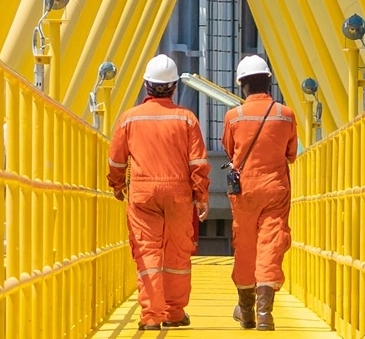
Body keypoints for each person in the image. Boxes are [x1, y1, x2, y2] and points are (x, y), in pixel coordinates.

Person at [108, 54, 211, 331]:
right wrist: (201, 197)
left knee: (146, 252)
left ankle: (151, 315)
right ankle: (174, 312)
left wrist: (117, 185)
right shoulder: (187, 119)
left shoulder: (129, 119)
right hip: (179, 194)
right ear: (175, 86)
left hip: (142, 193)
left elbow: (116, 160)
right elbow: (198, 163)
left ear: (146, 85)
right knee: (177, 253)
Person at [222, 55, 298, 332]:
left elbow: (231, 151)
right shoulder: (285, 114)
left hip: (244, 191)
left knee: (245, 246)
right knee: (271, 245)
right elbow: (291, 154)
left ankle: (245, 311)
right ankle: (265, 313)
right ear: (268, 81)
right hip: (275, 188)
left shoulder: (234, 116)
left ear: (243, 84)